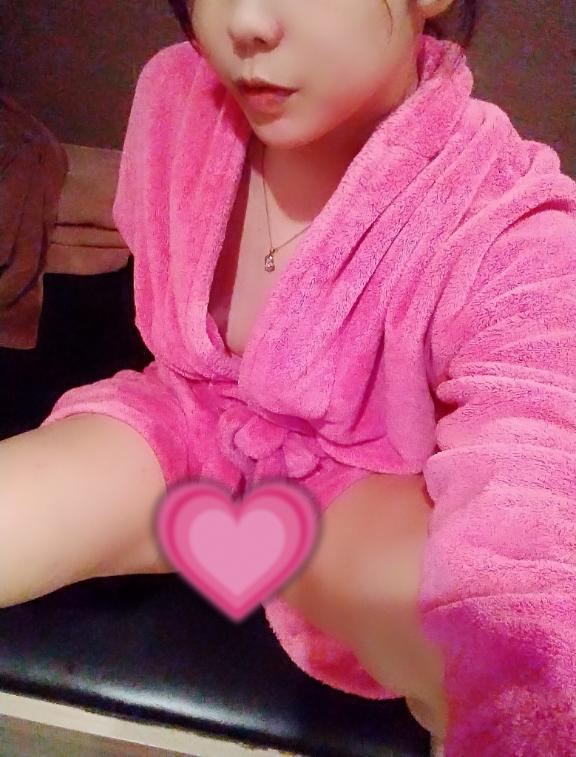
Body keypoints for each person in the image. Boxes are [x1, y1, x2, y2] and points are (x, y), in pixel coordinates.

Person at [1, 2, 575, 755]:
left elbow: (532, 499)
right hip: (188, 417)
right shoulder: (178, 94)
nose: (244, 22)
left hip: (360, 486)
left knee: (470, 650)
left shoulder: (509, 220)